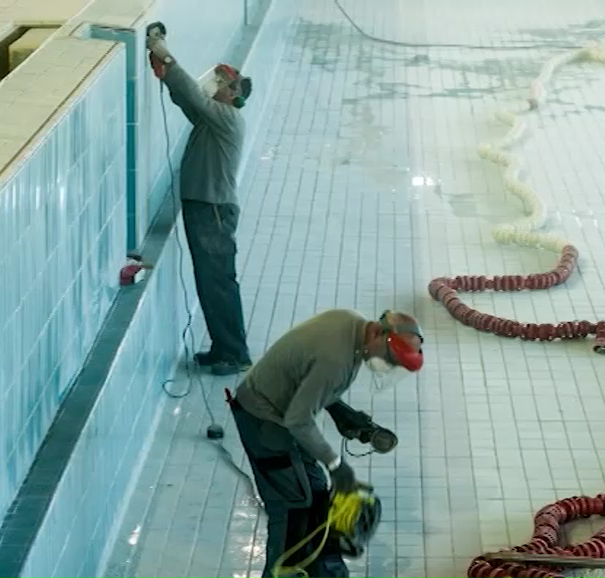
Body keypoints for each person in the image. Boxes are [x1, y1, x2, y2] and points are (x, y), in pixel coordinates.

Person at [227, 309, 425, 578]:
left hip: (281, 413)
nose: (386, 364)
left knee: (317, 496)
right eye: (389, 357)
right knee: (291, 510)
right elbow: (299, 420)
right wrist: (335, 464)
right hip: (264, 420)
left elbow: (304, 373)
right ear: (378, 333)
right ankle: (282, 572)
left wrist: (339, 410)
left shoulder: (349, 323)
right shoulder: (337, 361)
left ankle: (321, 571)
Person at [147, 31, 254, 376]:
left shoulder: (228, 117)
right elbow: (188, 99)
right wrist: (167, 77)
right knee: (211, 281)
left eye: (220, 82)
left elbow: (194, 96)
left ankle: (234, 354)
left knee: (218, 282)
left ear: (232, 92)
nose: (213, 85)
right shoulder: (214, 118)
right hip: (206, 208)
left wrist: (163, 54)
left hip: (213, 210)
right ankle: (224, 348)